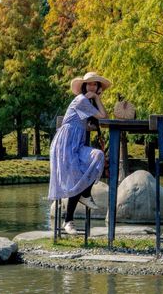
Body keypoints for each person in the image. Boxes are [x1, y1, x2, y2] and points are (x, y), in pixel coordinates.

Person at [48, 72, 111, 235]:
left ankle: (85, 193)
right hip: (66, 145)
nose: (92, 87)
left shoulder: (86, 103)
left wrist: (96, 100)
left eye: (95, 85)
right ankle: (68, 221)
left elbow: (103, 118)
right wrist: (96, 98)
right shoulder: (81, 100)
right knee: (77, 177)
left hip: (77, 144)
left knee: (98, 156)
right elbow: (103, 115)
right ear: (84, 86)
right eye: (89, 84)